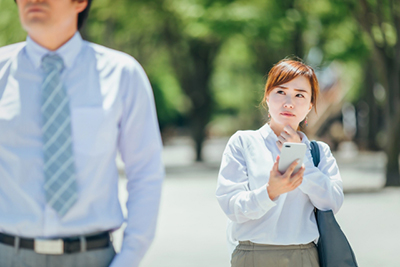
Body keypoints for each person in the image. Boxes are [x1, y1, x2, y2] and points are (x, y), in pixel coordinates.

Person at [0, 0, 164, 266]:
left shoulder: (122, 74)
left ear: (80, 2)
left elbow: (146, 172)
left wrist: (129, 258)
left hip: (94, 257)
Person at [216, 59, 344, 267]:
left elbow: (332, 203)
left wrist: (302, 159)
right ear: (267, 96)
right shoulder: (243, 143)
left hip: (304, 256)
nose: (289, 102)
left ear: (311, 104)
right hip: (252, 255)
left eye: (300, 95)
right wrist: (269, 192)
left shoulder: (319, 152)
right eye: (280, 92)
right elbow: (231, 206)